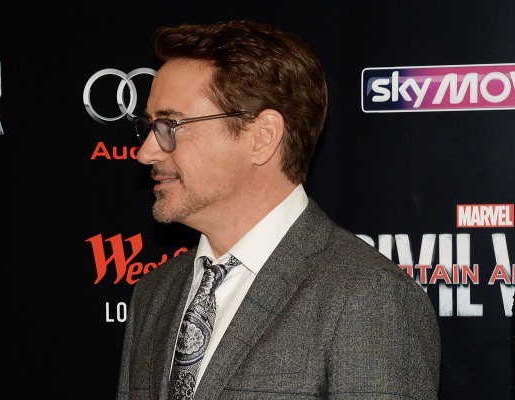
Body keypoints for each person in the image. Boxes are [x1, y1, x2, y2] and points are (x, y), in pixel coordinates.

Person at [116, 20, 440, 399]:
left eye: (170, 125)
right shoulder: (155, 294)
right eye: (149, 127)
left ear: (262, 137)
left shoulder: (369, 299)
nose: (145, 152)